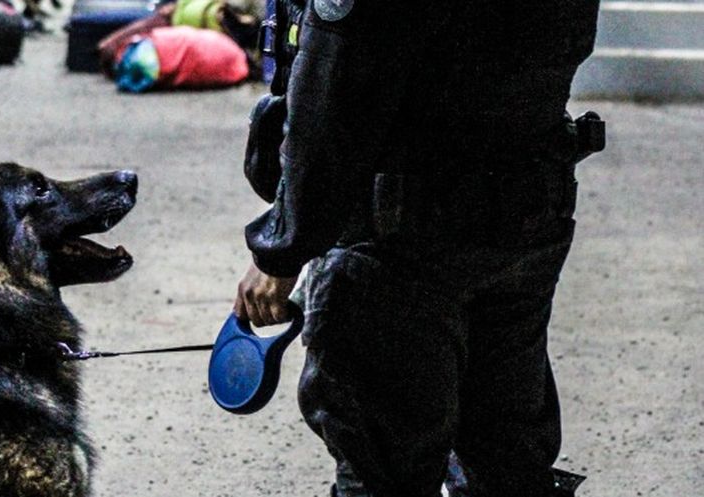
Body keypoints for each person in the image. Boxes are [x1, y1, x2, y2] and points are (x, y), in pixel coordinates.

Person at [232, 0, 603, 496]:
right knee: (506, 456)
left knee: (385, 468)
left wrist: (282, 250)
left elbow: (336, 96)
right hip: (524, 219)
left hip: (400, 242)